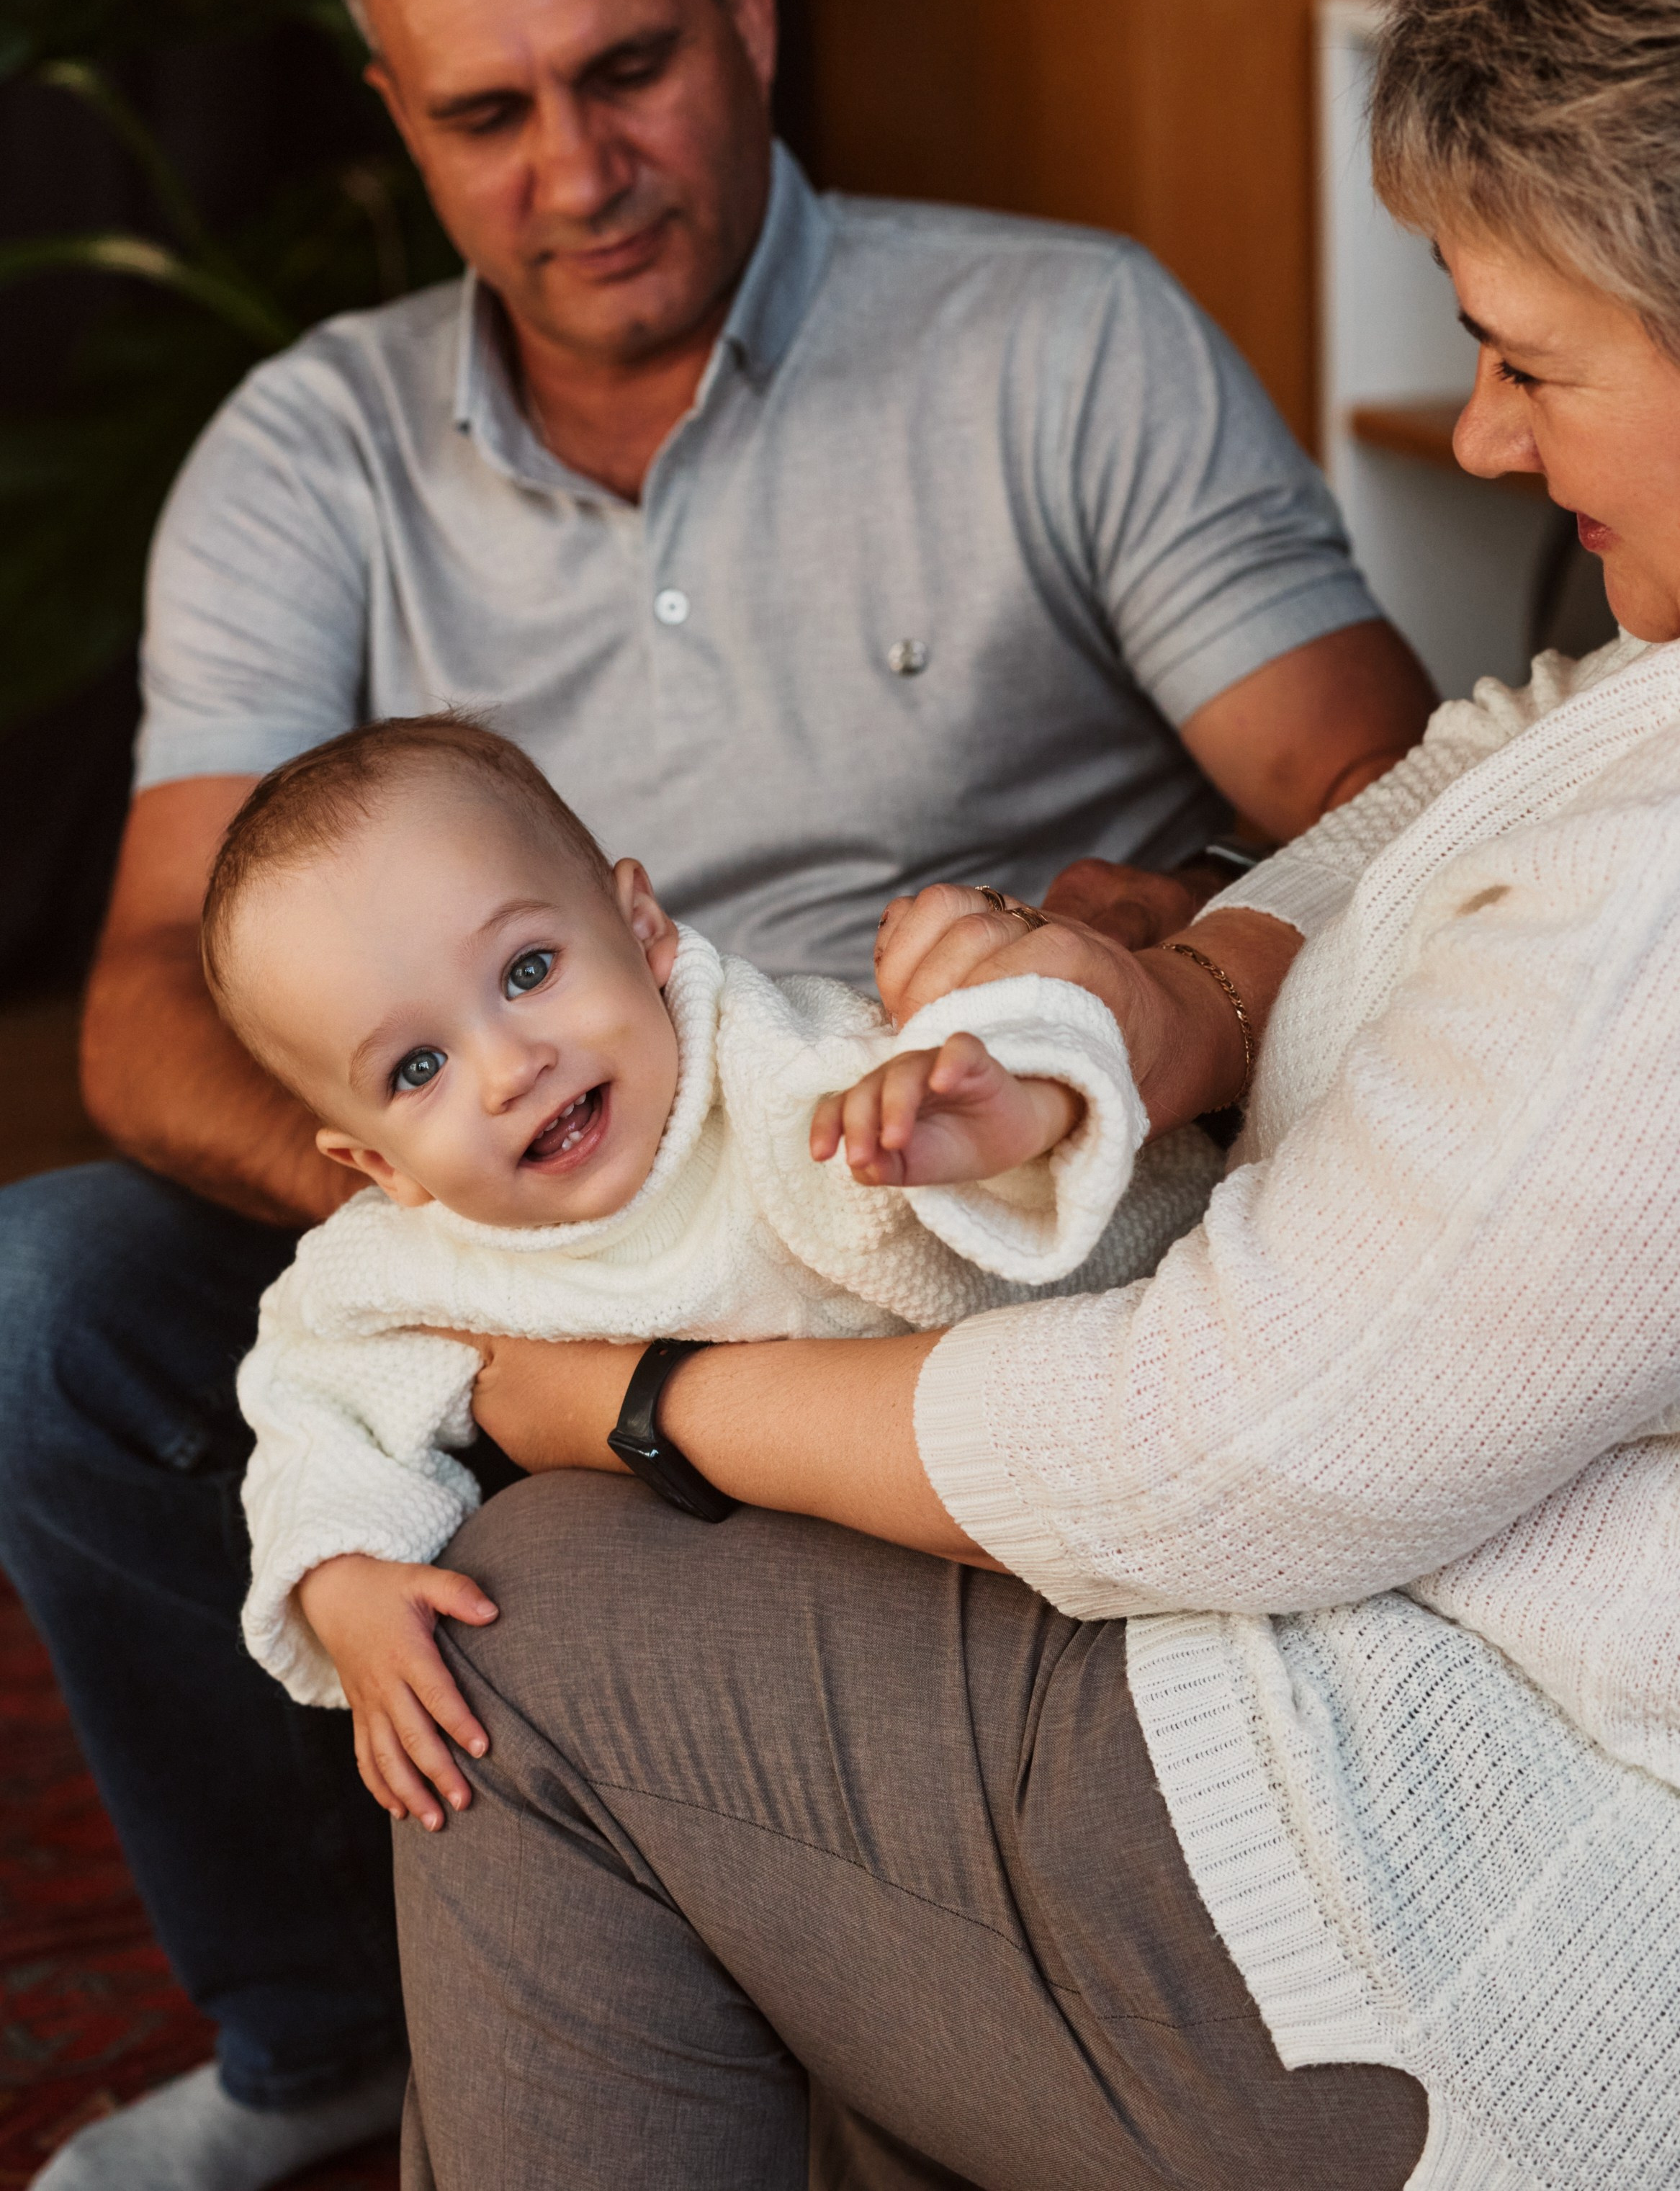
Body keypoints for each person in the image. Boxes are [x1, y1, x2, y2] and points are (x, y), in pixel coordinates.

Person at [3, 0, 1433, 2191]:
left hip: (924, 1179)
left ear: (748, 4)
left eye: (631, 67)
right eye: (487, 115)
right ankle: (320, 2021)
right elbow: (145, 984)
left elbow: (1379, 807)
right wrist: (468, 1235)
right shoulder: (308, 453)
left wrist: (1138, 957)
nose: (577, 173)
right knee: (52, 1302)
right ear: (391, 116)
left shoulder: (1052, 340)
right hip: (490, 1187)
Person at [385, 0, 1680, 2191]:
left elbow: (1203, 1448)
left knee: (531, 1612)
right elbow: (1471, 769)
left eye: (1529, 357)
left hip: (1528, 1903)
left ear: (745, 15)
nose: (1484, 438)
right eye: (483, 108)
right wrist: (1153, 996)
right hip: (1335, 1587)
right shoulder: (1641, 706)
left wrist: (621, 1394)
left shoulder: (1647, 924)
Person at [205, 715, 1211, 1788]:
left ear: (642, 929)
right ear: (378, 1167)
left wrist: (991, 1133)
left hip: (1047, 1490)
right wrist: (343, 1576)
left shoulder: (797, 1080)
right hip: (793, 1591)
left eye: (529, 969)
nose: (509, 1067)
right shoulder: (411, 1268)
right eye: (416, 1069)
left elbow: (1108, 1206)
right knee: (494, 1621)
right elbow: (311, 1407)